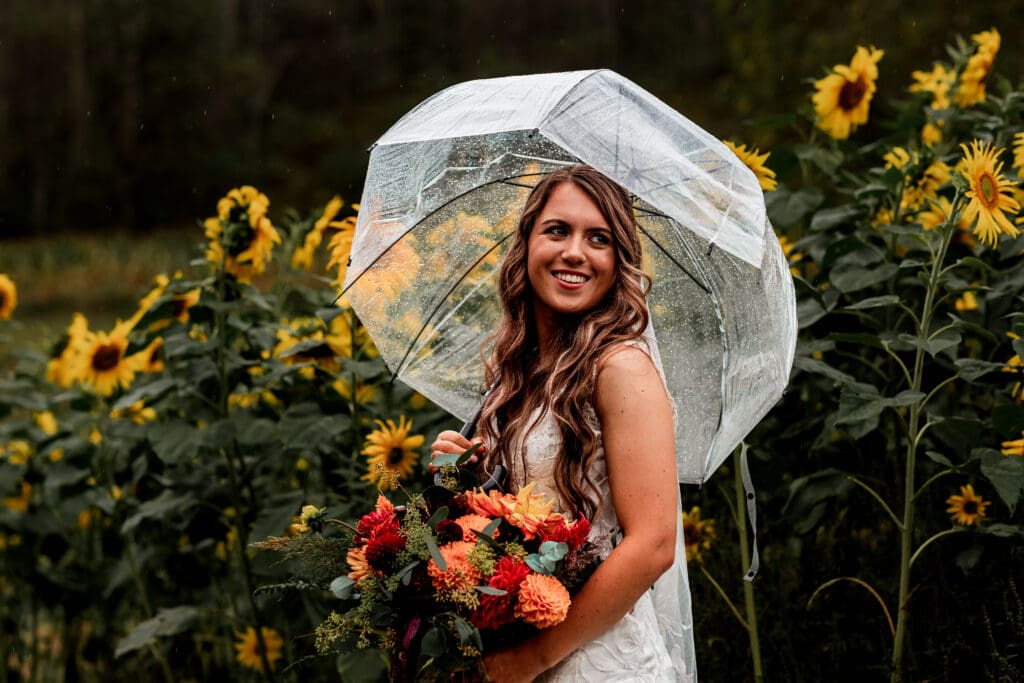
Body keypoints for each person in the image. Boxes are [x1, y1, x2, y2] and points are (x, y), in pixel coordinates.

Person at [430, 165, 695, 682]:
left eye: (599, 238)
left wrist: (532, 659)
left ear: (618, 261)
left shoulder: (621, 368)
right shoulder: (520, 370)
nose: (575, 251)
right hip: (523, 644)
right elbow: (525, 514)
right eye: (558, 230)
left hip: (593, 659)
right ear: (526, 242)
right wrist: (465, 478)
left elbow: (654, 545)